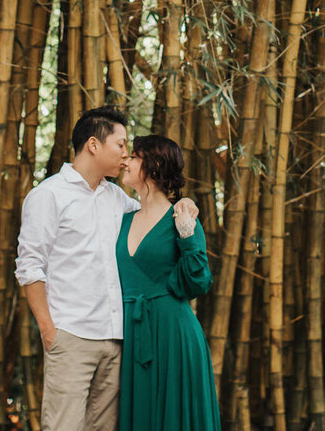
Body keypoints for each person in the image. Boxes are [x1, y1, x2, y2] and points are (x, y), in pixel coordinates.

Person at [15, 107, 198, 431]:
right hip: (71, 336)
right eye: (121, 145)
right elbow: (29, 265)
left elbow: (155, 221)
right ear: (94, 145)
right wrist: (49, 330)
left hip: (118, 338)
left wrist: (183, 204)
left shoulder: (118, 199)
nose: (126, 156)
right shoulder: (49, 195)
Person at [115, 134, 220, 431]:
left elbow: (198, 282)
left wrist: (187, 237)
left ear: (155, 165)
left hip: (174, 334)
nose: (127, 160)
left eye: (134, 156)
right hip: (132, 335)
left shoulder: (182, 216)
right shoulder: (122, 217)